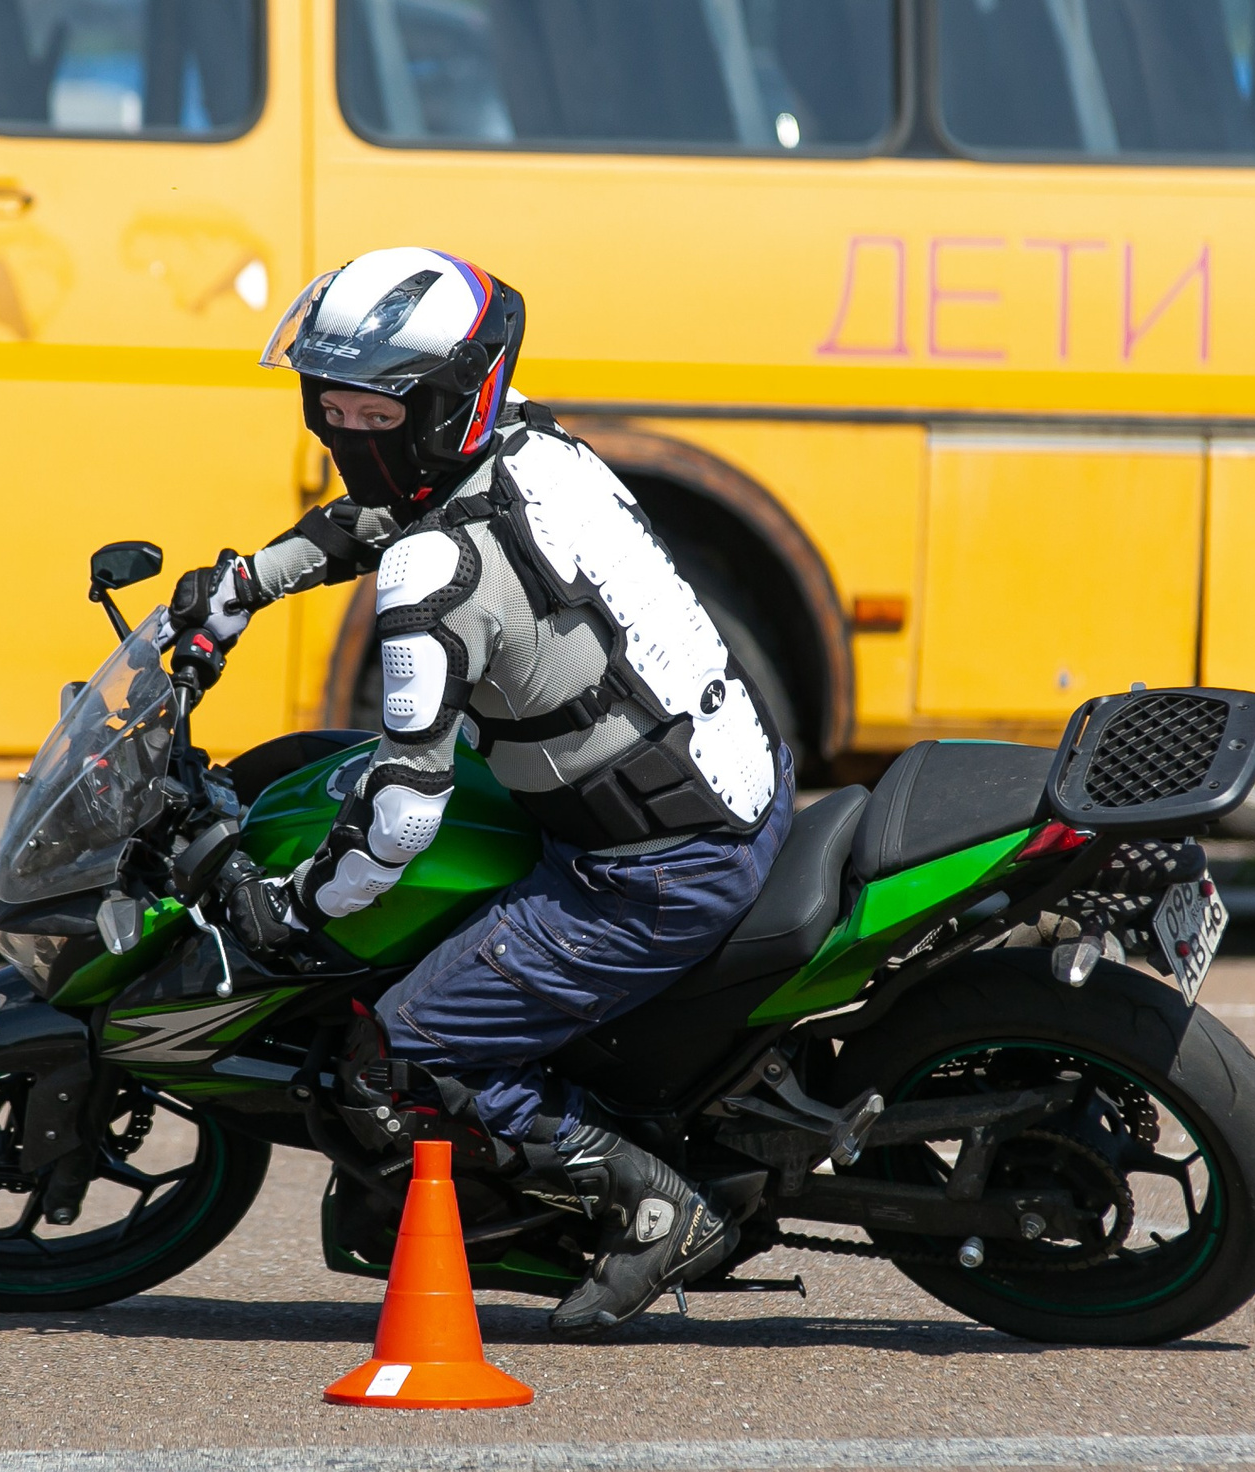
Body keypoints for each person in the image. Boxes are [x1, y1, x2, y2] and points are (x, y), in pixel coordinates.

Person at [167, 247, 792, 1336]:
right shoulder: (529, 444)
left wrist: (300, 909)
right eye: (332, 402)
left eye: (373, 409)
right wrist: (236, 591)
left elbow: (401, 817)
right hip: (726, 769)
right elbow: (374, 512)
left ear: (444, 404)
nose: (345, 427)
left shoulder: (434, 577)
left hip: (647, 867)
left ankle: (655, 1206)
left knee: (405, 1047)